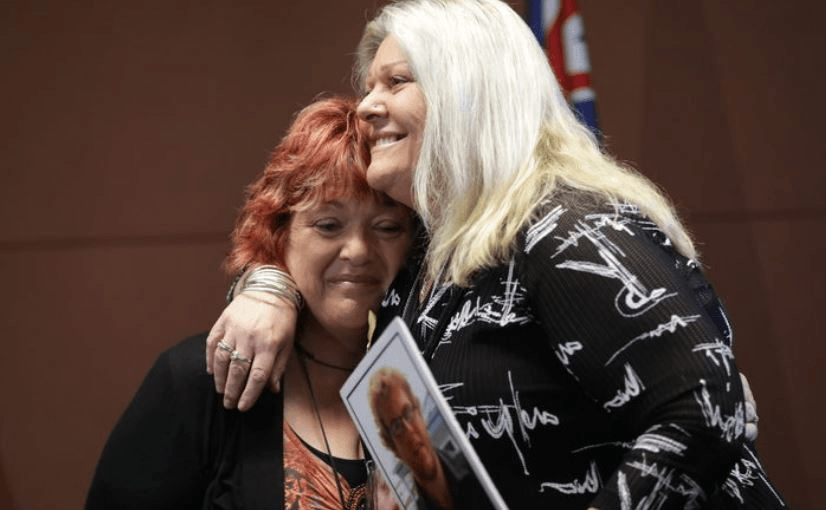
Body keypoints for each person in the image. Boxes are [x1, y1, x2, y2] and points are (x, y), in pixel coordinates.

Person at [205, 1, 787, 508]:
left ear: (471, 92)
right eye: (370, 85)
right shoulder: (436, 250)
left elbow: (708, 408)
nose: (367, 107)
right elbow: (331, 259)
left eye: (397, 81)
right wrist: (268, 285)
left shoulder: (570, 227)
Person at [85, 96, 414, 509]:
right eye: (328, 225)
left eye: (387, 227)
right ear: (281, 233)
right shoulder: (205, 377)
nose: (359, 251)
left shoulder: (433, 375)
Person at [367, 367, 490, 510]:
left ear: (418, 411)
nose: (409, 430)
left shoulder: (476, 467)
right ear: (392, 446)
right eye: (397, 426)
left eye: (408, 413)